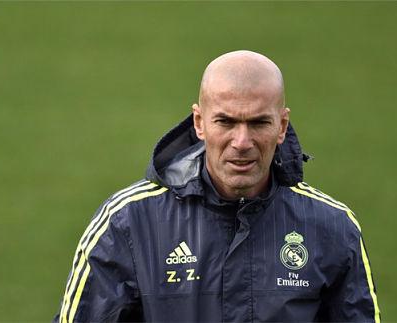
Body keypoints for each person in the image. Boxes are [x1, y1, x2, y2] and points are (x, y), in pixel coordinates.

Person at [53, 50, 380, 322]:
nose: (242, 142)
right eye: (226, 121)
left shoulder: (332, 228)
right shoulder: (127, 223)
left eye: (258, 122)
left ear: (281, 126)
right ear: (199, 123)